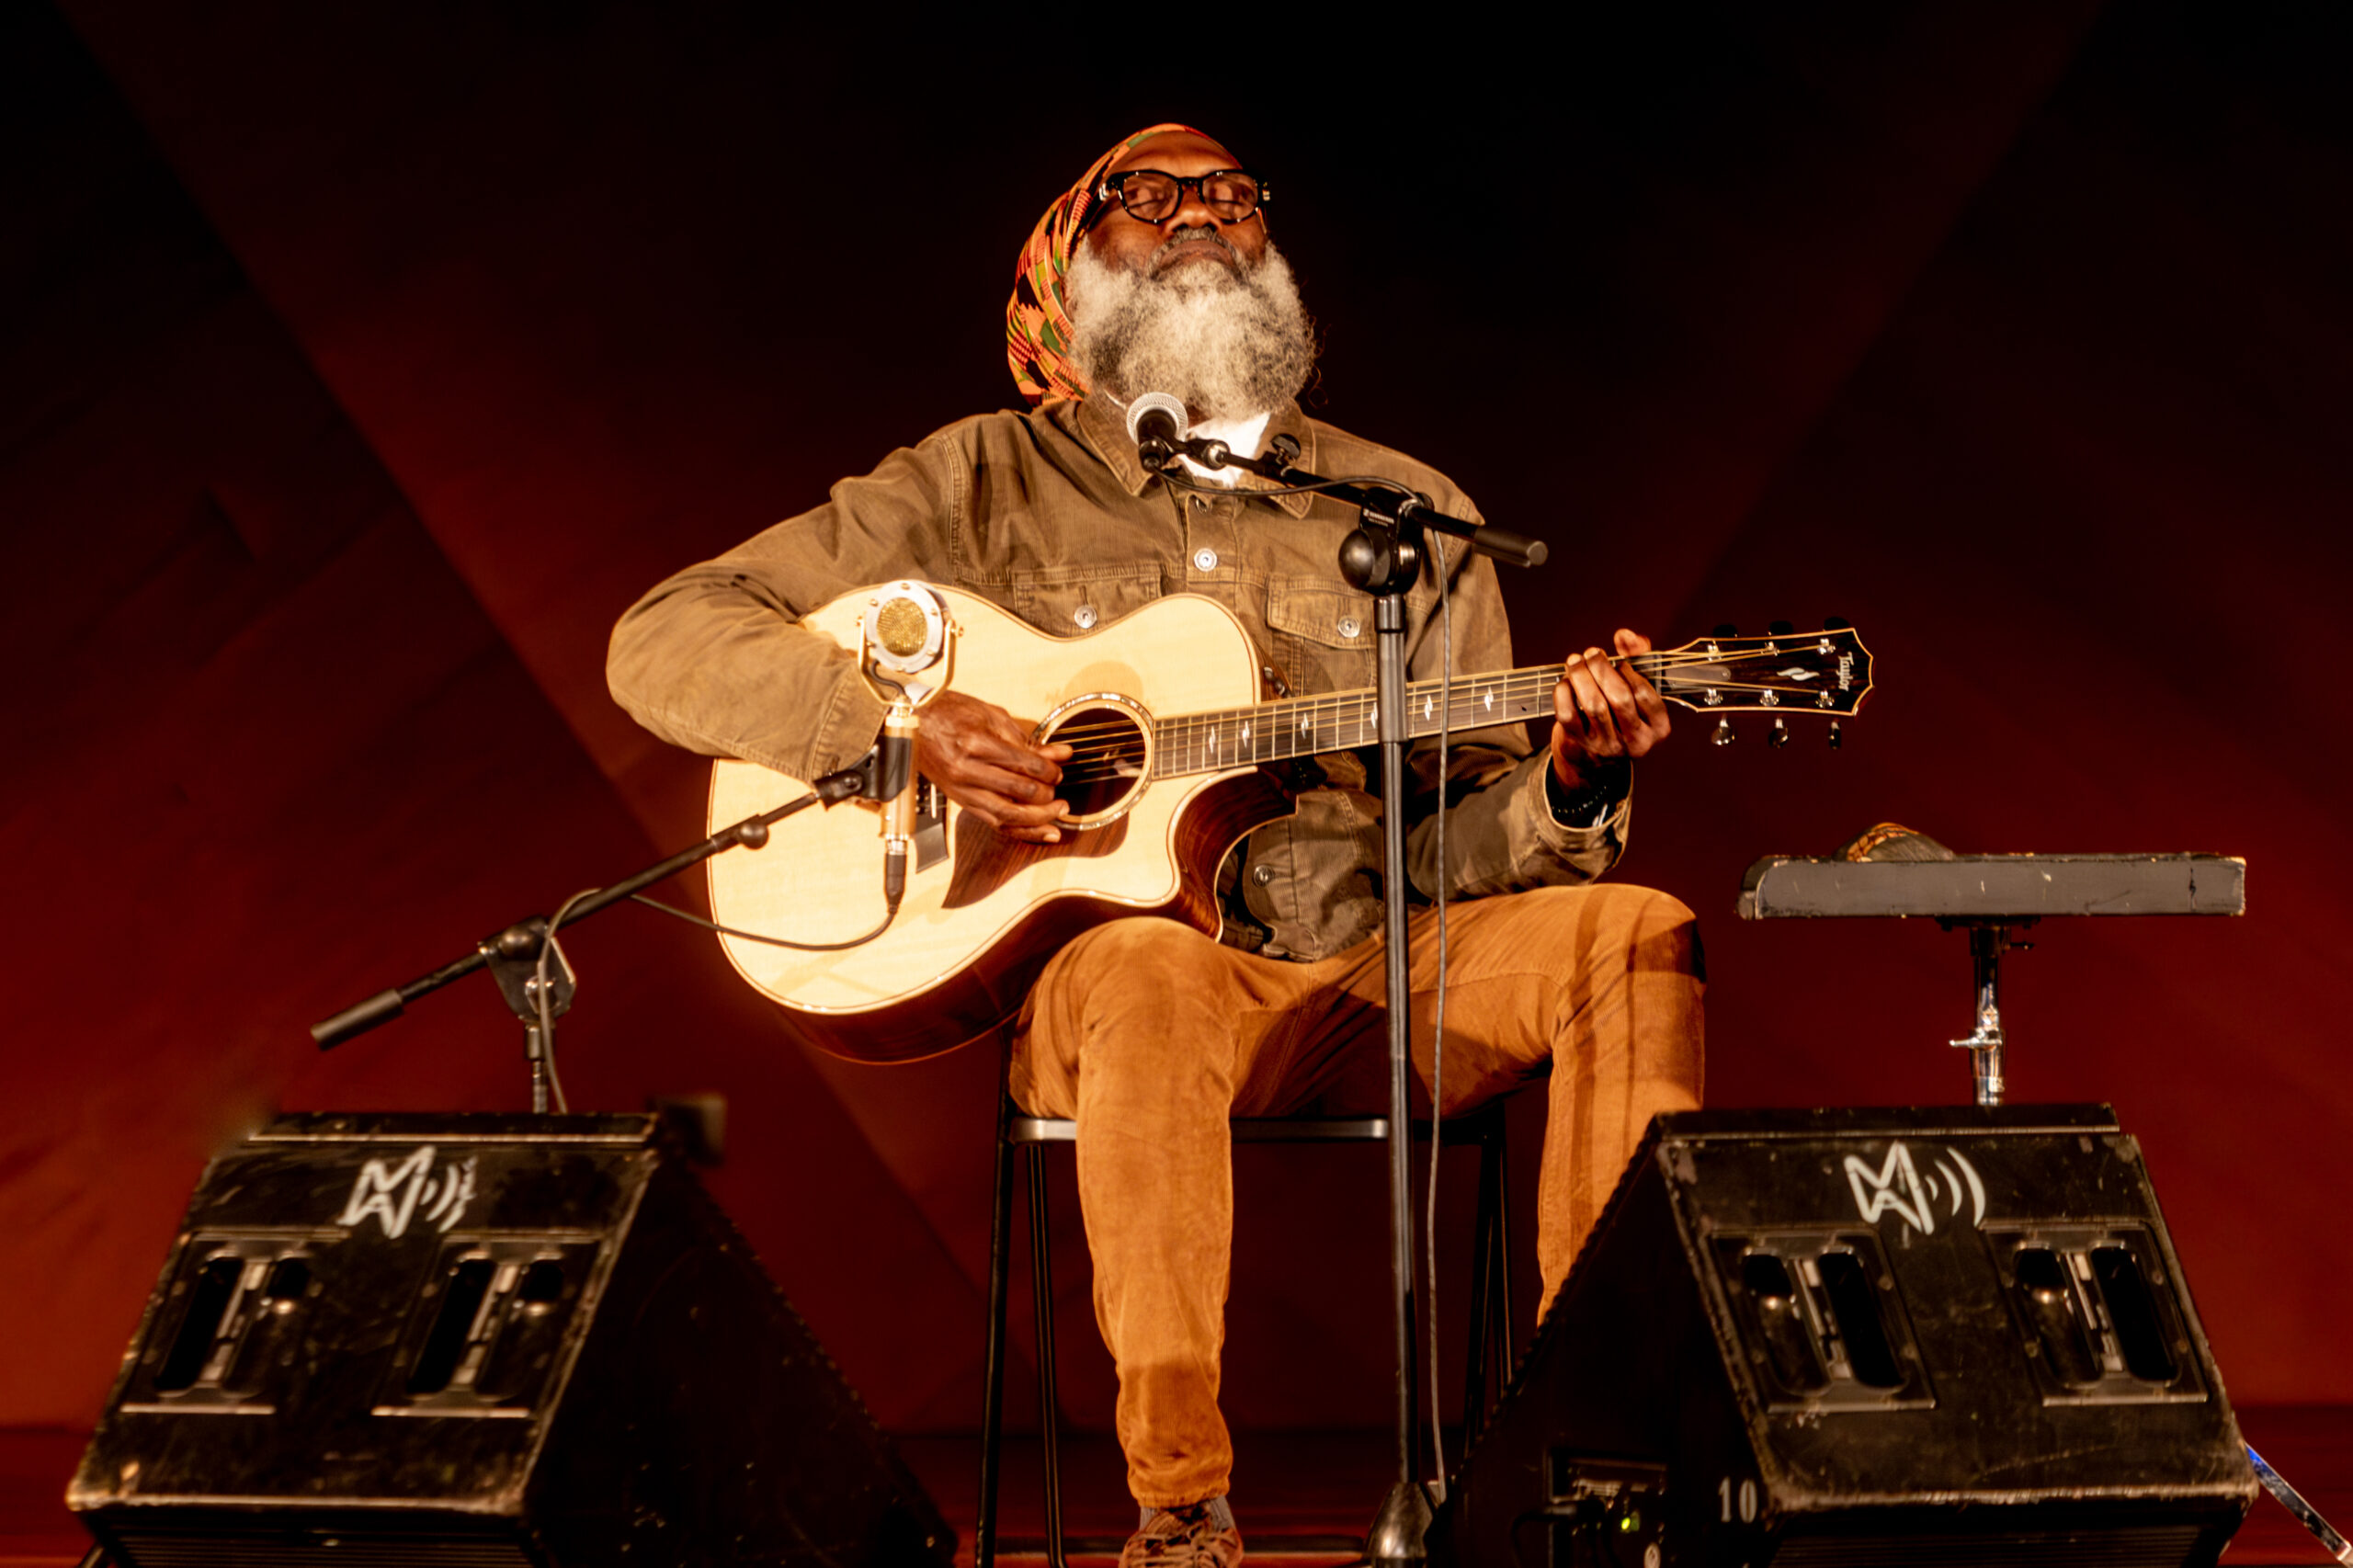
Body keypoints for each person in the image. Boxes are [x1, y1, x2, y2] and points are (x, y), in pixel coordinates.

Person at [608, 122, 1704, 1568]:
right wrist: (896, 723)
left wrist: (1570, 777)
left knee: (1634, 928)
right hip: (1129, 982)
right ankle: (1183, 1510)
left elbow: (1466, 838)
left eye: (1234, 197)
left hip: (1378, 960)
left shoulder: (1409, 508)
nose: (1202, 216)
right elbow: (663, 635)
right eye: (1150, 195)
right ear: (1070, 263)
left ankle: (1603, 1470)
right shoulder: (982, 478)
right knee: (1145, 967)